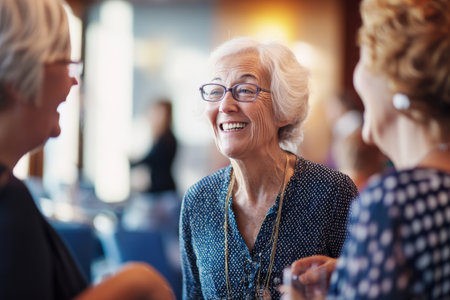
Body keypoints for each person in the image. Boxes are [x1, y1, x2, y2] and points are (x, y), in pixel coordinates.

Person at [0, 0, 174, 299]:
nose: (73, 80)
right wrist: (135, 283)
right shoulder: (8, 201)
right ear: (20, 71)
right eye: (66, 63)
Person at [285, 0, 450, 299]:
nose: (357, 72)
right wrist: (356, 268)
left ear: (396, 80)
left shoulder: (395, 201)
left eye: (365, 55)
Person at [179, 37, 358, 300]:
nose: (225, 105)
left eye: (245, 90)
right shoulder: (198, 201)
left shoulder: (332, 193)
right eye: (216, 91)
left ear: (283, 108)